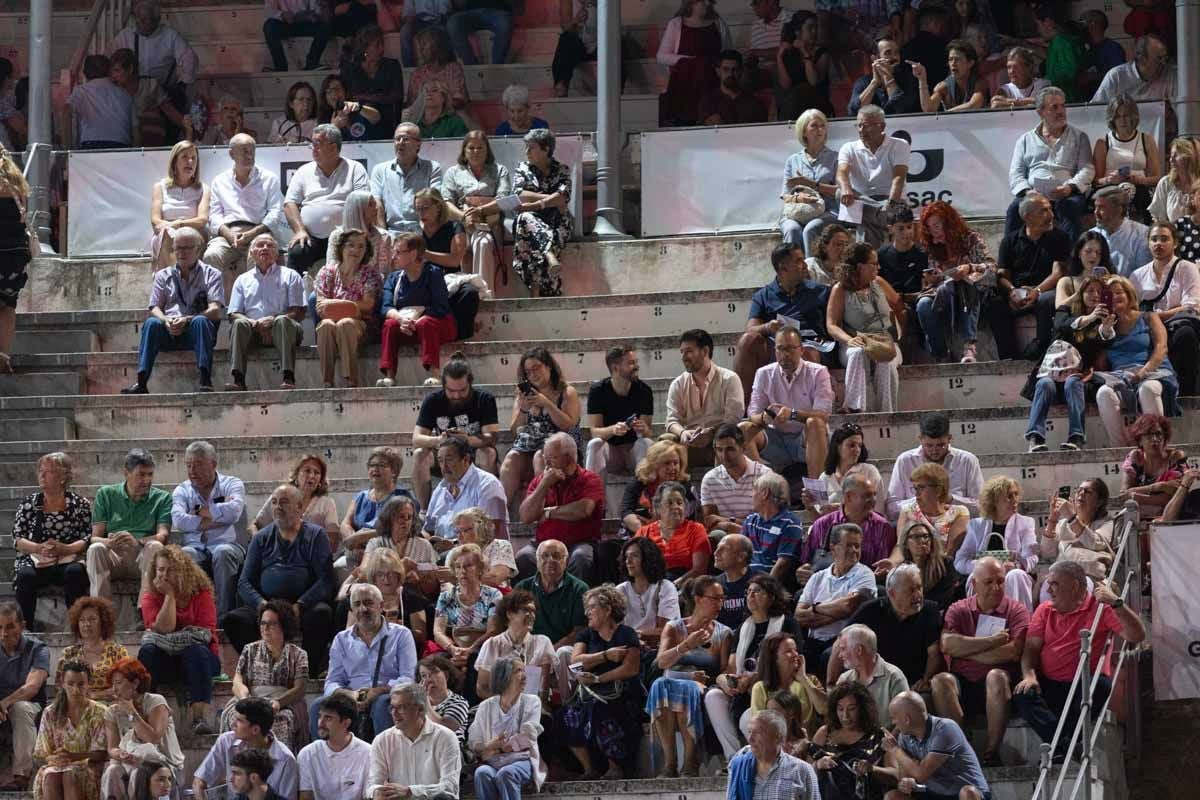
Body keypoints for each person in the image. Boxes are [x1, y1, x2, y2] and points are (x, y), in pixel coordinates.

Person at [1014, 561, 1145, 761]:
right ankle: (1067, 747)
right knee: (1023, 693)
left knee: (1101, 685)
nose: (1048, 590)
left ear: (1074, 586)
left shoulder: (1101, 608)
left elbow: (1137, 635)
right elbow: (1030, 650)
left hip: (1081, 685)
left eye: (1054, 584)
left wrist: (1117, 603)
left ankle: (1060, 747)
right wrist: (1030, 676)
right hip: (1050, 684)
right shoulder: (1044, 610)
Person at [223, 484, 334, 677]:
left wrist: (301, 605)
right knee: (233, 620)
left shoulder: (316, 535)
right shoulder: (261, 538)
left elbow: (325, 580)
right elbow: (244, 582)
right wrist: (262, 605)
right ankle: (262, 667)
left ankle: (308, 671)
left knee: (322, 614)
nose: (277, 508)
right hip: (267, 603)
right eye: (274, 503)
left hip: (303, 604)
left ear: (299, 507)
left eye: (283, 502)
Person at [933, 557, 1029, 767]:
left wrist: (966, 651)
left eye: (1001, 581)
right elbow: (948, 645)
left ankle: (991, 753)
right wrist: (992, 641)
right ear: (974, 584)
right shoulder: (958, 609)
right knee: (940, 681)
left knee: (995, 677)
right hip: (964, 682)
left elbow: (1012, 652)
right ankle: (961, 751)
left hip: (1000, 685)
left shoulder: (1016, 610)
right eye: (989, 582)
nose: (996, 587)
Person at [122, 227, 224, 395]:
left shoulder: (211, 274)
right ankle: (141, 381)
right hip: (170, 328)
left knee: (200, 321)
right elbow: (154, 307)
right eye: (177, 248)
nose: (181, 252)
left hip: (195, 331)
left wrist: (187, 319)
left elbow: (214, 310)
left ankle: (205, 379)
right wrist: (166, 321)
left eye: (186, 248)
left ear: (198, 250)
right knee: (151, 323)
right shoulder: (163, 275)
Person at [646, 575, 732, 777]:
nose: (719, 603)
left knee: (687, 689)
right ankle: (670, 762)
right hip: (671, 683)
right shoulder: (674, 627)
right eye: (714, 598)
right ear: (698, 599)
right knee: (661, 684)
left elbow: (723, 672)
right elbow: (661, 662)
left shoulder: (724, 633)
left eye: (722, 599)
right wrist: (686, 646)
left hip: (702, 686)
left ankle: (690, 761)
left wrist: (705, 680)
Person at [705, 575, 796, 759]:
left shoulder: (787, 623)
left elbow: (790, 664)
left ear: (771, 597)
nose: (751, 595)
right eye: (748, 592)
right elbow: (731, 668)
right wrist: (724, 680)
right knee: (713, 695)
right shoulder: (742, 629)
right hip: (742, 688)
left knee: (749, 718)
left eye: (757, 591)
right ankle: (734, 758)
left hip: (772, 689)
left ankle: (765, 757)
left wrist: (754, 679)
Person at [317, 583, 418, 742]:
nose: (363, 609)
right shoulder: (341, 640)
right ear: (351, 611)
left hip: (387, 694)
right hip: (352, 697)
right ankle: (329, 761)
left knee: (381, 705)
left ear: (381, 606)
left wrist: (377, 691)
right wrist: (350, 694)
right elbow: (331, 682)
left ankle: (385, 760)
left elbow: (408, 678)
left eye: (368, 603)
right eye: (357, 604)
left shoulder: (401, 635)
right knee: (319, 706)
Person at [138, 545, 221, 736]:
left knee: (196, 651)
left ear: (183, 571)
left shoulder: (202, 594)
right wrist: (169, 595)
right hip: (166, 660)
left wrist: (170, 638)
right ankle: (146, 713)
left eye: (171, 569)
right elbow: (163, 627)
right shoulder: (150, 596)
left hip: (201, 660)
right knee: (147, 652)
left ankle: (198, 718)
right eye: (161, 569)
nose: (165, 575)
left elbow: (204, 634)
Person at [561, 585, 643, 778]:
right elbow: (575, 661)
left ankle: (615, 765)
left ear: (607, 610)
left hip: (623, 692)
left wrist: (598, 678)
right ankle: (588, 768)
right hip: (594, 692)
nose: (586, 612)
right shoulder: (586, 635)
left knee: (601, 709)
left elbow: (630, 668)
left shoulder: (626, 633)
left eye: (592, 608)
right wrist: (606, 655)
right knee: (567, 713)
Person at [733, 245, 831, 402]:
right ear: (783, 268)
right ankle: (745, 406)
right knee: (748, 340)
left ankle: (808, 412)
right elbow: (751, 328)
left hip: (811, 344)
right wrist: (768, 327)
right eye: (799, 261)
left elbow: (833, 324)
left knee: (804, 352)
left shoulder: (821, 291)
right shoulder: (763, 295)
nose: (805, 265)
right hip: (777, 345)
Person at [1095, 276, 1180, 448]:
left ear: (1129, 295)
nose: (1115, 296)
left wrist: (1142, 373)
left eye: (1119, 292)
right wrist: (1103, 331)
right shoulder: (1105, 327)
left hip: (1154, 372)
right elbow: (1100, 364)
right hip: (1122, 377)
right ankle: (1120, 448)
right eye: (1110, 295)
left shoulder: (1148, 317)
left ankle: (1157, 447)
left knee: (1147, 389)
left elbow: (1161, 348)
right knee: (1103, 393)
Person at [831, 563, 943, 690]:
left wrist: (925, 679)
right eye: (911, 590)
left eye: (919, 588)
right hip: (876, 680)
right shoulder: (871, 610)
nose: (918, 595)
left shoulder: (930, 610)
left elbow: (934, 653)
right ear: (892, 593)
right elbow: (840, 642)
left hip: (913, 682)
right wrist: (831, 685)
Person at [12, 453, 91, 629]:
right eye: (41, 471)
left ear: (63, 477)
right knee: (25, 576)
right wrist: (39, 548)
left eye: (49, 472)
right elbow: (18, 539)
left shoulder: (79, 504)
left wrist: (66, 549)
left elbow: (86, 538)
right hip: (35, 559)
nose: (42, 475)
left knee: (75, 572)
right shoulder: (29, 503)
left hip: (68, 557)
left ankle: (77, 628)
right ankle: (25, 630)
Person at [1005, 87, 1093, 243]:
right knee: (1014, 209)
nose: (1061, 111)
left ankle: (1071, 261)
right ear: (1040, 112)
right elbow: (1016, 173)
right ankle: (1009, 261)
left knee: (1069, 207)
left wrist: (1069, 188)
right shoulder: (1025, 140)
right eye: (1054, 107)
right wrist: (1028, 192)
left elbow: (1087, 169)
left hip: (1066, 193)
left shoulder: (1079, 137)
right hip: (1033, 194)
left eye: (1062, 106)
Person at [990, 191, 1071, 361]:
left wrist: (1037, 291)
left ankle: (1041, 350)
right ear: (1027, 217)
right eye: (1043, 211)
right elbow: (1002, 274)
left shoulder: (1060, 237)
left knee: (1045, 301)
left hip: (1046, 291)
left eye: (1050, 209)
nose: (1051, 215)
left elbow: (1059, 273)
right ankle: (1009, 359)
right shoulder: (1010, 241)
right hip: (1019, 293)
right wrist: (1012, 291)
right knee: (995, 304)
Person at [220, 601, 309, 753]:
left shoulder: (298, 654)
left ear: (284, 625)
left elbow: (300, 688)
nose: (265, 628)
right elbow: (238, 680)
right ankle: (241, 766)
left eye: (271, 624)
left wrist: (277, 703)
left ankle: (276, 768)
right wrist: (245, 699)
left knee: (281, 721)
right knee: (237, 718)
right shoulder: (250, 649)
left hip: (283, 704)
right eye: (263, 623)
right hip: (251, 700)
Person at [503, 350, 584, 517]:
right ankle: (500, 514)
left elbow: (569, 425)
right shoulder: (523, 395)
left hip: (560, 451)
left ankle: (543, 511)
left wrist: (546, 403)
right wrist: (524, 410)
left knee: (540, 457)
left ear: (548, 366)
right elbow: (514, 430)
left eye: (536, 368)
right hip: (529, 447)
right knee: (511, 458)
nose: (533, 374)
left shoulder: (567, 392)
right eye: (528, 371)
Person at [411, 356, 500, 508]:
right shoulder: (433, 401)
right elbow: (417, 438)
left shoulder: (484, 399)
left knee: (488, 453)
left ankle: (487, 508)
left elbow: (491, 437)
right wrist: (440, 440)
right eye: (451, 391)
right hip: (443, 456)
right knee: (420, 454)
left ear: (470, 383)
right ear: (443, 385)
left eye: (462, 390)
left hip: (471, 455)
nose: (457, 396)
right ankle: (424, 511)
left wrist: (467, 439)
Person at [742, 326, 832, 476]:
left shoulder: (818, 372)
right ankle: (761, 484)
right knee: (744, 428)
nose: (785, 355)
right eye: (780, 349)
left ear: (801, 350)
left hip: (805, 439)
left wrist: (793, 414)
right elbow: (753, 414)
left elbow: (823, 415)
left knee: (815, 423)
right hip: (775, 438)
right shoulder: (763, 373)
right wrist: (764, 418)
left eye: (790, 349)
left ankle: (816, 493)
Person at [171, 440, 247, 616]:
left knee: (222, 552)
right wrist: (217, 517)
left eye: (198, 465)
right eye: (188, 465)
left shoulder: (232, 484)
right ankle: (190, 616)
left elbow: (234, 511)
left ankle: (223, 617)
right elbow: (179, 521)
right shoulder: (182, 490)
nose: (192, 471)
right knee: (185, 555)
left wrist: (198, 511)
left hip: (229, 545)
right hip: (195, 546)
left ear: (213, 464)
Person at [826, 244, 903, 413]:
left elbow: (899, 305)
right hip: (855, 339)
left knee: (886, 361)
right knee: (857, 352)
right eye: (874, 263)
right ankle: (855, 408)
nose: (878, 267)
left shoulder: (879, 283)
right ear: (860, 267)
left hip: (884, 340)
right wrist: (849, 339)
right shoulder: (840, 289)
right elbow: (831, 325)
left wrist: (898, 332)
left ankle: (887, 413)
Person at [284, 124, 370, 277]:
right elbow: (290, 203)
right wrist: (300, 230)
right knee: (296, 252)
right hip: (311, 236)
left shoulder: (355, 169)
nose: (313, 148)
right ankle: (294, 299)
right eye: (312, 144)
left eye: (317, 144)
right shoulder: (304, 171)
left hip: (345, 236)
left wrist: (351, 232)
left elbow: (362, 203)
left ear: (333, 147)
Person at [516, 433, 602, 583]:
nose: (547, 463)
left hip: (579, 542)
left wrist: (548, 513)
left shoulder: (590, 479)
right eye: (545, 457)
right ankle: (531, 604)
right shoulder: (540, 481)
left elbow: (583, 510)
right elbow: (526, 517)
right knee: (524, 557)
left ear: (569, 458)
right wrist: (544, 485)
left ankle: (576, 603)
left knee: (581, 558)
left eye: (552, 457)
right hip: (543, 543)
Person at [915, 200, 994, 364]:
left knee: (963, 284)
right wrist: (933, 278)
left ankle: (969, 346)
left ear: (948, 223)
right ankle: (940, 354)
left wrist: (969, 268)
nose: (934, 232)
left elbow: (991, 266)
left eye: (937, 225)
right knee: (923, 304)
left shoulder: (971, 239)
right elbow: (936, 279)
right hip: (944, 293)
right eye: (930, 228)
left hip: (972, 290)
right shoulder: (933, 247)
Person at [225, 234, 306, 391]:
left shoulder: (290, 275)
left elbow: (299, 311)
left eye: (270, 246)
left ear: (277, 253)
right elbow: (233, 313)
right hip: (252, 330)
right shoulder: (242, 279)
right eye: (260, 245)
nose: (265, 248)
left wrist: (273, 321)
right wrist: (254, 323)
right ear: (252, 253)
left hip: (284, 330)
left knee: (282, 321)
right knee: (239, 323)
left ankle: (288, 377)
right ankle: (238, 379)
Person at [203, 135, 287, 284]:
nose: (249, 155)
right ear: (231, 154)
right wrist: (229, 235)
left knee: (261, 254)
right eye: (244, 151)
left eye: (251, 151)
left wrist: (251, 234)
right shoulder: (220, 181)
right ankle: (215, 304)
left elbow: (275, 213)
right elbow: (214, 215)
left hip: (258, 232)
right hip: (227, 236)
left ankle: (256, 305)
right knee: (211, 256)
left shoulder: (269, 178)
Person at [376, 233, 457, 385]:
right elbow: (386, 307)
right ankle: (390, 376)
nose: (394, 256)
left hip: (436, 325)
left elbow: (440, 306)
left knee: (425, 322)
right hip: (407, 325)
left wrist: (415, 319)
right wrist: (401, 319)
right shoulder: (394, 278)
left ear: (413, 254)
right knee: (389, 324)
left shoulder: (433, 273)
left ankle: (434, 373)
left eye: (398, 252)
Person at [794, 524, 877, 672]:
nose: (854, 551)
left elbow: (848, 606)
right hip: (812, 641)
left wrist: (815, 608)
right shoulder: (817, 577)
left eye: (857, 546)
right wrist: (838, 613)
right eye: (849, 545)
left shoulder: (865, 574)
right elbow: (799, 616)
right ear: (833, 548)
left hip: (845, 642)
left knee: (829, 656)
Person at [1129, 221, 1200, 395]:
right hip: (1148, 329)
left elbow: (1192, 306)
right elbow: (1131, 309)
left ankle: (1186, 396)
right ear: (1148, 243)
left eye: (1164, 239)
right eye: (1154, 239)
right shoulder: (1137, 275)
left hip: (1178, 326)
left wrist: (1157, 316)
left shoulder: (1187, 268)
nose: (1158, 243)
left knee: (1186, 335)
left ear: (1175, 243)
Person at [877, 692, 990, 800]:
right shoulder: (904, 737)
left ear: (907, 719)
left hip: (964, 793)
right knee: (893, 797)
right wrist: (906, 782)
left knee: (968, 792)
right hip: (932, 793)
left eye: (893, 718)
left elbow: (921, 774)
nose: (893, 723)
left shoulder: (945, 729)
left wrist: (895, 749)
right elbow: (904, 776)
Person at [100, 658, 185, 800]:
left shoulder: (156, 701)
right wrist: (120, 754)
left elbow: (153, 738)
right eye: (113, 684)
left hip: (163, 765)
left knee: (138, 773)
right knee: (112, 771)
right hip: (130, 762)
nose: (114, 689)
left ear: (135, 683)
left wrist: (131, 712)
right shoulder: (112, 711)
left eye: (119, 683)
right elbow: (112, 748)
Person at [955, 476, 1038, 610]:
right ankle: (979, 622)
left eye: (1016, 494)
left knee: (1015, 575)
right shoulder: (976, 525)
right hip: (985, 574)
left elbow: (1031, 557)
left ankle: (1021, 622)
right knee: (975, 577)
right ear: (994, 500)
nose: (1015, 500)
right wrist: (981, 567)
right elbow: (960, 560)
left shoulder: (1026, 523)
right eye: (1009, 496)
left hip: (1014, 572)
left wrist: (1016, 564)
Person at [469, 656, 546, 800]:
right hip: (493, 762)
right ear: (503, 676)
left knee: (506, 773)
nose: (524, 676)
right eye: (518, 671)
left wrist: (498, 748)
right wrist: (487, 745)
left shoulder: (532, 701)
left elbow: (529, 735)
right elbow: (474, 741)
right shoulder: (486, 706)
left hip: (522, 760)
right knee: (482, 773)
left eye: (524, 670)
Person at [366, 683, 463, 798]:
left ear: (421, 709)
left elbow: (450, 787)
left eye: (401, 707)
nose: (394, 713)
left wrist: (411, 792)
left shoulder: (446, 737)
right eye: (392, 707)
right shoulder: (382, 740)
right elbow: (371, 785)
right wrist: (377, 791)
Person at [314, 228, 382, 389]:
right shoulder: (327, 272)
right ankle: (327, 381)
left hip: (362, 326)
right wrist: (351, 306)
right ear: (341, 248)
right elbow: (321, 308)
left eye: (361, 246)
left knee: (345, 323)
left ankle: (351, 381)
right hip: (332, 321)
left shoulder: (370, 274)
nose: (355, 250)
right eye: (350, 245)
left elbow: (368, 306)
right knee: (326, 325)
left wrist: (336, 305)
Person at [509, 129, 573, 297]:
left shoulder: (562, 170)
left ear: (546, 149)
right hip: (530, 220)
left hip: (556, 220)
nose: (526, 152)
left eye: (531, 148)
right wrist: (549, 201)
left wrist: (535, 204)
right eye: (526, 147)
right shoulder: (523, 169)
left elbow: (563, 197)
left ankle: (536, 292)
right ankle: (549, 254)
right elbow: (519, 195)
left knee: (530, 235)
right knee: (525, 219)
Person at [194, 697, 299, 800]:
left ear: (255, 729)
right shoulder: (226, 741)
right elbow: (199, 782)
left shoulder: (286, 760)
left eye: (239, 721)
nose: (233, 724)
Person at [442, 130, 511, 289]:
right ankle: (467, 294)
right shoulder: (453, 172)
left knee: (483, 243)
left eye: (480, 148)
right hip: (461, 224)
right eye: (471, 148)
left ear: (487, 151)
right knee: (463, 249)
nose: (475, 152)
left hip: (490, 224)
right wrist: (464, 216)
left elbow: (504, 200)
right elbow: (446, 202)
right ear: (464, 152)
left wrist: (480, 210)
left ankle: (484, 293)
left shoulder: (499, 170)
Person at [667, 329, 745, 468]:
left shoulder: (729, 379)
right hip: (691, 442)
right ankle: (674, 490)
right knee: (664, 443)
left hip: (721, 439)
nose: (684, 357)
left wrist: (711, 433)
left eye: (689, 351)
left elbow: (733, 419)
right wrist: (683, 432)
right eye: (682, 352)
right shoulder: (678, 384)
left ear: (704, 351)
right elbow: (671, 421)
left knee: (731, 438)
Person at [835, 105, 910, 248]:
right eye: (859, 125)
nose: (861, 130)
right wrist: (845, 188)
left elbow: (898, 178)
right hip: (862, 202)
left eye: (867, 126)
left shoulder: (899, 145)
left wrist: (891, 205)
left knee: (866, 224)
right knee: (839, 192)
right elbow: (841, 172)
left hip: (890, 201)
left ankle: (869, 257)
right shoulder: (848, 147)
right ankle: (881, 217)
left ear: (882, 126)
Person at [31, 660, 107, 800]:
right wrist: (54, 758)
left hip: (89, 769)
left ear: (88, 684)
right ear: (62, 684)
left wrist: (72, 757)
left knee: (69, 775)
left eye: (81, 684)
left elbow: (102, 754)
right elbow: (41, 753)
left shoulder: (99, 712)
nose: (75, 690)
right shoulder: (51, 712)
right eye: (70, 684)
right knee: (50, 776)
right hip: (56, 767)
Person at [801, 474, 896, 583]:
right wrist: (803, 571)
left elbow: (882, 568)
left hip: (863, 586)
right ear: (848, 497)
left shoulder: (883, 527)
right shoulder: (823, 525)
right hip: (825, 586)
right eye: (867, 496)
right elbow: (806, 561)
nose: (873, 500)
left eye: (874, 495)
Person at [335, 548, 432, 654]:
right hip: (365, 653)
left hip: (401, 652)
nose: (386, 579)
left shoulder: (412, 597)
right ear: (373, 577)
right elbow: (349, 633)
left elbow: (421, 636)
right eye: (380, 574)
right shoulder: (360, 596)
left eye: (391, 574)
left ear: (399, 575)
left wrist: (400, 630)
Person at [433, 544, 501, 687]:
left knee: (476, 660)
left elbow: (493, 630)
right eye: (458, 567)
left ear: (480, 569)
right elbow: (438, 631)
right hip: (454, 646)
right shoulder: (446, 597)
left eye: (468, 566)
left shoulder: (493, 595)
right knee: (435, 664)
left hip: (482, 647)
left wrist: (470, 650)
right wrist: (453, 649)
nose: (462, 571)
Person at [656, 0, 733, 127]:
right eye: (703, 1)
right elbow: (662, 56)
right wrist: (693, 61)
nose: (708, 4)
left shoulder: (718, 24)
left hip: (712, 81)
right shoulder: (676, 24)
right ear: (691, 3)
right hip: (684, 84)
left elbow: (728, 54)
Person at [585, 345, 654, 478]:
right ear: (615, 368)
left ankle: (646, 496)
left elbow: (648, 433)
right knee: (594, 444)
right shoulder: (598, 391)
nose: (636, 366)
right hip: (611, 453)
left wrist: (643, 429)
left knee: (647, 443)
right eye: (631, 363)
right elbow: (594, 431)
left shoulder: (644, 391)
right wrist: (613, 430)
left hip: (633, 452)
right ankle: (594, 496)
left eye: (636, 362)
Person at [810, 681, 886, 800]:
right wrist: (818, 765)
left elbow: (895, 775)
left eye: (851, 709)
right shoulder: (824, 733)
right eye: (840, 709)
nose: (845, 716)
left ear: (863, 708)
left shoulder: (878, 735)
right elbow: (805, 772)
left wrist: (872, 769)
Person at [1091, 96, 1162, 224]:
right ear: (1112, 119)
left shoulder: (1146, 139)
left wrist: (1140, 180)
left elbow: (1157, 177)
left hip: (1140, 187)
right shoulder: (1103, 142)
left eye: (1126, 116)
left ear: (1134, 117)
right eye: (1118, 116)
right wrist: (1109, 179)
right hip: (1111, 187)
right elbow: (1095, 180)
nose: (1123, 120)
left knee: (1141, 195)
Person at [0, 602, 47, 791]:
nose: (4, 633)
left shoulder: (38, 649)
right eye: (0, 627)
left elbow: (32, 687)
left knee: (20, 708)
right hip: (1, 706)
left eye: (10, 626)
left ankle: (21, 775)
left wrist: (5, 702)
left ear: (22, 625)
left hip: (29, 705)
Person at [779, 109, 839, 257]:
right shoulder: (793, 160)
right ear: (804, 131)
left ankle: (810, 273)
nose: (819, 130)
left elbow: (839, 191)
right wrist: (800, 199)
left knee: (811, 229)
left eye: (822, 126)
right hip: (796, 212)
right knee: (792, 230)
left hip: (827, 212)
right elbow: (785, 195)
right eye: (814, 126)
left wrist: (812, 184)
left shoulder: (835, 158)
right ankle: (792, 273)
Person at [423, 439, 507, 545]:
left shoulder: (487, 485)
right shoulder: (440, 489)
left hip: (476, 553)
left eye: (449, 460)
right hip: (440, 553)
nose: (444, 467)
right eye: (440, 461)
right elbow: (428, 529)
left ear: (466, 459)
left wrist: (454, 546)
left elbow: (489, 533)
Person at [475, 590, 555, 700]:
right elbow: (482, 688)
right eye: (526, 610)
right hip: (500, 706)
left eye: (533, 612)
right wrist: (508, 702)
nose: (532, 616)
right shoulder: (492, 644)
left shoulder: (542, 643)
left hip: (532, 706)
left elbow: (544, 688)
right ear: (509, 614)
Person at [513, 539, 588, 657]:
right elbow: (515, 624)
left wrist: (549, 651)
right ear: (537, 561)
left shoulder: (579, 589)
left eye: (556, 556)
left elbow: (579, 630)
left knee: (563, 653)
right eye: (545, 556)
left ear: (566, 561)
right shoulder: (523, 587)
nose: (550, 560)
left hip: (563, 648)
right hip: (529, 647)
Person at [1040, 480, 1115, 594]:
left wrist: (1072, 517)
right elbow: (1047, 552)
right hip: (1060, 577)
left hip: (1090, 578)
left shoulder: (1105, 523)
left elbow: (1095, 543)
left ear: (1099, 502)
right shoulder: (1064, 523)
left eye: (1088, 491)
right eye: (1078, 490)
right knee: (1046, 588)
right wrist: (1053, 519)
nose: (1081, 493)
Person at [339, 448, 417, 557]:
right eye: (372, 465)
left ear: (394, 471)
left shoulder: (402, 498)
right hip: (357, 551)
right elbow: (345, 523)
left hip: (388, 553)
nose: (375, 469)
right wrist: (353, 538)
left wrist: (362, 537)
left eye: (381, 465)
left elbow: (402, 529)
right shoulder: (361, 496)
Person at [727, 710, 821, 800]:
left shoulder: (802, 770)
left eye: (758, 732)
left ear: (778, 738)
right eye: (749, 732)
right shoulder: (737, 766)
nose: (750, 739)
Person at [701, 424, 776, 536]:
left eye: (730, 449)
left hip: (759, 536)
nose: (724, 456)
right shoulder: (710, 479)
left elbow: (766, 521)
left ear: (743, 448)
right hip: (726, 539)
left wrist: (730, 522)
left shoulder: (764, 475)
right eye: (719, 450)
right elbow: (711, 522)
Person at [249, 454, 340, 547]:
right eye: (307, 471)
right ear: (296, 475)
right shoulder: (279, 497)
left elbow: (333, 540)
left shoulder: (326, 503)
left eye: (317, 472)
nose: (312, 476)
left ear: (321, 480)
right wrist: (258, 541)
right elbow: (255, 525)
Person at [372, 123, 444, 236]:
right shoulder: (380, 170)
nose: (400, 143)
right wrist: (383, 234)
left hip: (422, 232)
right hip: (391, 232)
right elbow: (378, 204)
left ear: (418, 144)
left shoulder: (432, 168)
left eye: (405, 139)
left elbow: (434, 203)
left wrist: (426, 235)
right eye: (397, 139)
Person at [148, 140, 210, 270]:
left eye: (194, 158)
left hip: (193, 233)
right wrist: (171, 228)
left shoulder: (203, 189)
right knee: (167, 234)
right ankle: (172, 280)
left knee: (182, 237)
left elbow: (202, 220)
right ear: (175, 161)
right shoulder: (160, 187)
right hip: (165, 233)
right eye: (185, 157)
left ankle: (177, 281)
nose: (190, 162)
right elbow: (155, 221)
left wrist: (178, 224)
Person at [298, 694, 371, 800]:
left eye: (328, 718)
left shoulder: (368, 753)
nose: (320, 723)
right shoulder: (307, 754)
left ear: (346, 723)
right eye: (320, 716)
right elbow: (305, 796)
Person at [834, 624, 909, 729]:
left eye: (843, 649)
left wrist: (884, 743)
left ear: (859, 650)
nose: (840, 655)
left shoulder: (894, 677)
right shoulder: (844, 678)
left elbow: (904, 720)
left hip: (884, 741)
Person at [365, 495, 441, 598]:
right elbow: (364, 573)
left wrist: (420, 580)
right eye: (401, 516)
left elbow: (433, 584)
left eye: (409, 517)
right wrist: (401, 569)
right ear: (389, 518)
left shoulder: (424, 545)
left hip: (416, 597)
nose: (405, 521)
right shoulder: (375, 543)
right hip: (383, 597)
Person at [635, 481, 711, 583]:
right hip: (650, 584)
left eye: (679, 503)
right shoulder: (644, 532)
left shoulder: (696, 529)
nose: (676, 507)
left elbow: (699, 570)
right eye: (669, 503)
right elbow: (635, 564)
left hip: (683, 585)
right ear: (658, 507)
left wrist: (673, 586)